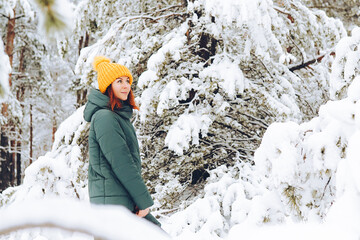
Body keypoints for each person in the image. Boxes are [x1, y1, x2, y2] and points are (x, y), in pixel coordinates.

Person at [83, 56, 161, 227]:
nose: (126, 86)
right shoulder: (105, 117)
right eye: (119, 81)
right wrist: (142, 200)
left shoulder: (116, 117)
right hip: (113, 202)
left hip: (118, 198)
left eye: (127, 81)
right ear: (108, 86)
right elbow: (122, 162)